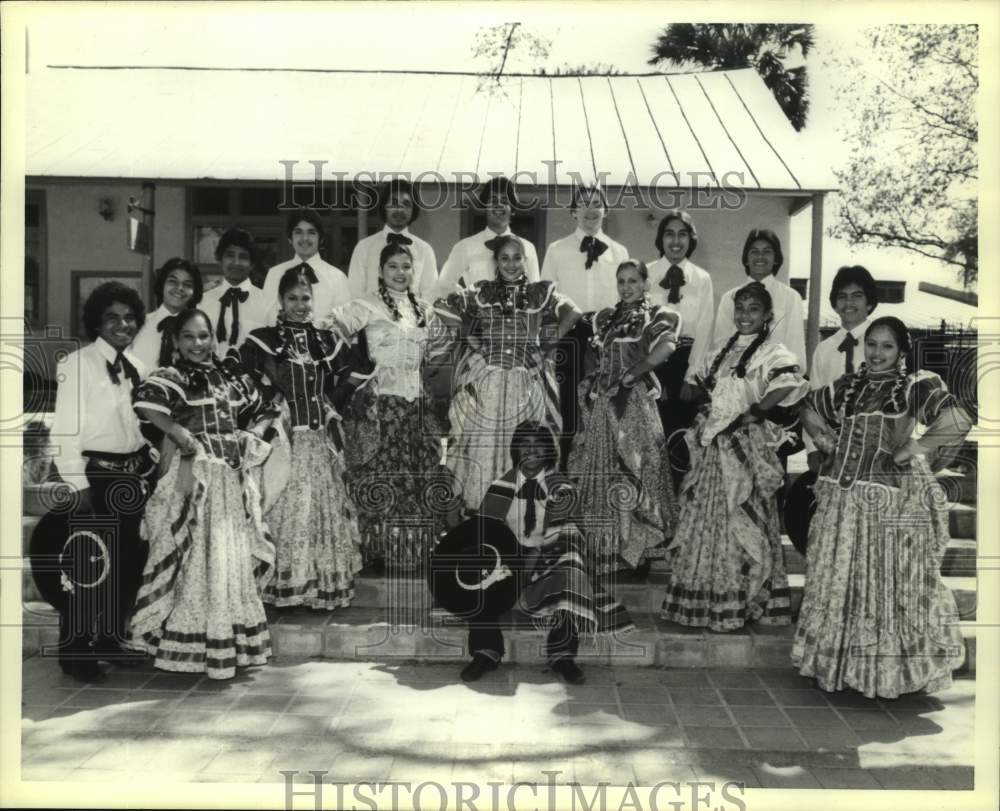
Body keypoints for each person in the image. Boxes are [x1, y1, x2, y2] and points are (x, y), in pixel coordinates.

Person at [792, 316, 972, 699]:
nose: (876, 353)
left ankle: (884, 673)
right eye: (871, 344)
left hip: (886, 501)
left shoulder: (912, 386)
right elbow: (805, 404)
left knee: (885, 584)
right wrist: (824, 440)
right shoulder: (849, 387)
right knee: (839, 580)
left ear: (902, 351)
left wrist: (913, 448)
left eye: (886, 346)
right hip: (841, 501)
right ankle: (841, 666)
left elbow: (958, 419)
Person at [128, 308, 278, 679]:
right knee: (196, 560)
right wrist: (177, 433)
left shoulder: (229, 379)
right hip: (197, 482)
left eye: (203, 336)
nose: (198, 344)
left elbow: (267, 407)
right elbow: (144, 403)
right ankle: (191, 644)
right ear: (177, 342)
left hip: (229, 482)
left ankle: (228, 641)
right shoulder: (174, 377)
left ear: (214, 338)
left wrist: (251, 436)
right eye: (189, 337)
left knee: (227, 562)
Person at [661, 282, 809, 631]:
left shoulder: (773, 352)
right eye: (740, 308)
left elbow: (790, 382)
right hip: (714, 451)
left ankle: (743, 600)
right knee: (708, 520)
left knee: (741, 519)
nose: (745, 315)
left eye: (753, 309)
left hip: (743, 449)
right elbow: (704, 389)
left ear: (767, 315)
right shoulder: (718, 351)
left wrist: (756, 411)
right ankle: (704, 597)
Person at [459, 421, 634, 684]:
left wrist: (531, 561)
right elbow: (487, 532)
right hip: (509, 559)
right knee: (477, 558)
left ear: (549, 451)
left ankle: (562, 655)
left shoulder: (562, 488)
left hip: (549, 559)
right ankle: (486, 651)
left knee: (571, 558)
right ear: (515, 450)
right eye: (524, 445)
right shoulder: (501, 486)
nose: (530, 451)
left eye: (537, 445)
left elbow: (564, 533)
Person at [47, 281, 156, 682]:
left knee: (128, 565)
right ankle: (74, 654)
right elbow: (64, 431)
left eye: (129, 317)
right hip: (95, 478)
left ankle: (110, 639)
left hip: (131, 478)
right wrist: (78, 486)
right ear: (97, 321)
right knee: (89, 568)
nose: (122, 324)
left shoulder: (140, 368)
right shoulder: (77, 364)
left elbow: (139, 427)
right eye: (112, 317)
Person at [241, 265, 364, 608]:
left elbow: (350, 376)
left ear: (314, 300)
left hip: (318, 441)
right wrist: (271, 406)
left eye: (305, 298)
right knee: (284, 503)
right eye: (292, 298)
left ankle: (318, 587)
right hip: (285, 442)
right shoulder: (262, 340)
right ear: (280, 300)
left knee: (319, 509)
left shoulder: (325, 340)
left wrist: (329, 405)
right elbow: (243, 383)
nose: (300, 304)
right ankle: (281, 586)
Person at [328, 243, 455, 570]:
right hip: (379, 404)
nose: (401, 273)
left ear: (414, 271)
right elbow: (330, 331)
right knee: (379, 475)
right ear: (381, 272)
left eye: (406, 267)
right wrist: (358, 369)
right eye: (393, 267)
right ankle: (378, 552)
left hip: (416, 404)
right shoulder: (365, 306)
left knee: (416, 474)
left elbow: (442, 350)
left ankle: (413, 552)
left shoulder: (425, 311)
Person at [436, 234, 581, 511]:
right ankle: (482, 507)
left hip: (525, 379)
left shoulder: (541, 292)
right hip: (488, 378)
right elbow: (441, 305)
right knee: (484, 440)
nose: (511, 264)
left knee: (526, 440)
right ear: (496, 262)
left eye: (516, 258)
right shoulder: (483, 291)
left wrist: (547, 346)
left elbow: (573, 312)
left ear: (525, 261)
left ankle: (524, 511)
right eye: (504, 258)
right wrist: (472, 339)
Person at [568, 260, 680, 576]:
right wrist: (595, 380)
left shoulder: (656, 315)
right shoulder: (605, 318)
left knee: (635, 466)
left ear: (646, 283)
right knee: (604, 469)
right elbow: (596, 355)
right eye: (622, 281)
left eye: (633, 281)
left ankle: (638, 551)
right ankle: (610, 547)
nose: (627, 287)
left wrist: (635, 375)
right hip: (604, 403)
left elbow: (667, 347)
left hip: (632, 403)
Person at [540, 183, 629, 466]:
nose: (590, 210)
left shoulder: (619, 251)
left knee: (604, 403)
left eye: (597, 203)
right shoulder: (557, 250)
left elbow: (626, 299)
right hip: (569, 334)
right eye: (583, 204)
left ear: (606, 210)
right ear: (573, 211)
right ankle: (565, 469)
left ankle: (601, 471)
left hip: (607, 336)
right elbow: (546, 299)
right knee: (567, 403)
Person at [645, 210, 715, 450]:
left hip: (687, 363)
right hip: (653, 364)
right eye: (669, 234)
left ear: (691, 239)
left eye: (682, 235)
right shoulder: (646, 274)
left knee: (683, 440)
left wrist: (692, 376)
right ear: (661, 239)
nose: (676, 241)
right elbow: (641, 329)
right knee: (653, 439)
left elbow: (705, 330)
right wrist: (651, 376)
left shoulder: (702, 279)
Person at [805, 265, 880, 472]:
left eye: (857, 296)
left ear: (869, 302)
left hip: (873, 449)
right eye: (842, 296)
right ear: (835, 303)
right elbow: (812, 404)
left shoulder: (882, 342)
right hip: (831, 449)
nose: (849, 303)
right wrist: (813, 449)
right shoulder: (824, 349)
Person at [431, 176, 540, 300]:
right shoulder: (464, 247)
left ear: (512, 208)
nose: (498, 205)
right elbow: (444, 285)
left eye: (505, 201)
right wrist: (468, 300)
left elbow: (535, 291)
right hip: (478, 318)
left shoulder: (527, 248)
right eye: (493, 200)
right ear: (484, 207)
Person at [712, 229, 806, 370]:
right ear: (746, 259)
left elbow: (795, 350)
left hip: (777, 380)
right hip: (734, 380)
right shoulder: (729, 298)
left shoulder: (791, 298)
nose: (760, 256)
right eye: (754, 252)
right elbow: (720, 346)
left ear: (776, 259)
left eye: (767, 251)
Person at [348, 178, 438, 301]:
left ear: (413, 210)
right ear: (384, 206)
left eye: (406, 204)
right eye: (394, 203)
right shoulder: (364, 247)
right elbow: (355, 294)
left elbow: (430, 296)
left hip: (412, 318)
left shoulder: (425, 250)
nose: (399, 209)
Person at [261, 207, 352, 326]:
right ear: (290, 238)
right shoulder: (274, 274)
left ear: (321, 239)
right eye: (298, 232)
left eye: (311, 232)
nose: (305, 238)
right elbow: (266, 320)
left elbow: (345, 325)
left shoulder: (338, 278)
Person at [200, 227, 270, 357]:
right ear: (220, 259)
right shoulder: (203, 302)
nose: (236, 263)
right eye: (230, 255)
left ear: (252, 263)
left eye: (243, 257)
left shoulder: (267, 303)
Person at [131, 258, 204, 370]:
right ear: (161, 285)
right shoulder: (139, 325)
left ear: (194, 292)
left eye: (187, 284)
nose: (179, 288)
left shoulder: (203, 331)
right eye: (173, 281)